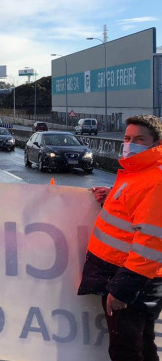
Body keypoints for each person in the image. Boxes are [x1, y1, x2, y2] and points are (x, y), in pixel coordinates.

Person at [78, 115, 162, 361]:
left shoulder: (155, 180)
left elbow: (152, 242)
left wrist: (123, 289)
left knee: (126, 351)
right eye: (127, 138)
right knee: (142, 345)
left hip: (134, 281)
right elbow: (137, 211)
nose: (130, 143)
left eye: (139, 139)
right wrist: (113, 195)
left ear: (155, 143)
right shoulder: (138, 172)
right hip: (128, 276)